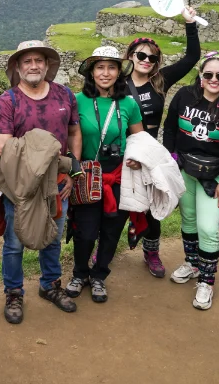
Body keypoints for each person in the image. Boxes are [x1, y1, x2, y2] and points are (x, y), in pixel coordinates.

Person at [0, 41, 81, 323]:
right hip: (21, 186)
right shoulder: (8, 102)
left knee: (52, 236)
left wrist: (72, 169)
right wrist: (45, 158)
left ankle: (50, 285)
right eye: (27, 61)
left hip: (58, 183)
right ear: (17, 67)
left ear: (47, 65)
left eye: (38, 60)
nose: (33, 65)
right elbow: (2, 148)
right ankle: (14, 292)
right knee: (15, 242)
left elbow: (74, 133)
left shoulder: (65, 95)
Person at [163, 50, 219, 310]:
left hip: (214, 177)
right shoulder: (185, 96)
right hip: (185, 169)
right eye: (208, 74)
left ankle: (207, 281)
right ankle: (192, 263)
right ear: (200, 75)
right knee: (188, 219)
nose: (213, 79)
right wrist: (172, 159)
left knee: (208, 227)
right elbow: (170, 127)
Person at [124, 6, 200, 277]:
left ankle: (151, 252)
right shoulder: (117, 83)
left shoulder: (160, 80)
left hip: (151, 151)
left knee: (152, 204)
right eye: (141, 55)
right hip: (121, 151)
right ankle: (105, 248)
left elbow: (192, 57)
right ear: (131, 57)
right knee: (116, 207)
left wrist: (189, 23)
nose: (146, 60)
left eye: (152, 58)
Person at [66, 46, 144, 303]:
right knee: (86, 231)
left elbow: (139, 138)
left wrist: (138, 160)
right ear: (91, 72)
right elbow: (69, 135)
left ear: (119, 72)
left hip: (119, 174)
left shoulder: (129, 104)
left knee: (112, 229)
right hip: (88, 172)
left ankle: (99, 275)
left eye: (111, 67)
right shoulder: (77, 100)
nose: (106, 73)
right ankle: (80, 273)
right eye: (100, 67)